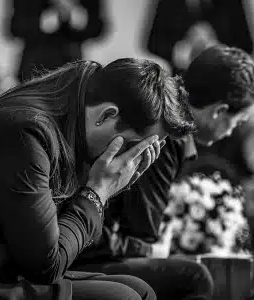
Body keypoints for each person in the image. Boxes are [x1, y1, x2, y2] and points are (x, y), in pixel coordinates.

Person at [0, 58, 196, 299]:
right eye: (136, 147)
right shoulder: (25, 132)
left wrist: (106, 190)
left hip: (8, 267)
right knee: (127, 297)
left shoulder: (71, 114)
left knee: (141, 289)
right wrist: (98, 191)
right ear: (107, 115)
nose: (135, 159)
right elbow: (45, 266)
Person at [72, 45, 254, 300]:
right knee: (195, 276)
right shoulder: (169, 136)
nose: (233, 130)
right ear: (219, 111)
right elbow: (141, 234)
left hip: (86, 240)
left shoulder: (165, 119)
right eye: (239, 121)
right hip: (85, 251)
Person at [8, 0, 107, 82]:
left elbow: (97, 29)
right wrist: (39, 22)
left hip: (72, 74)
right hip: (32, 72)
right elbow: (13, 29)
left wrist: (81, 21)